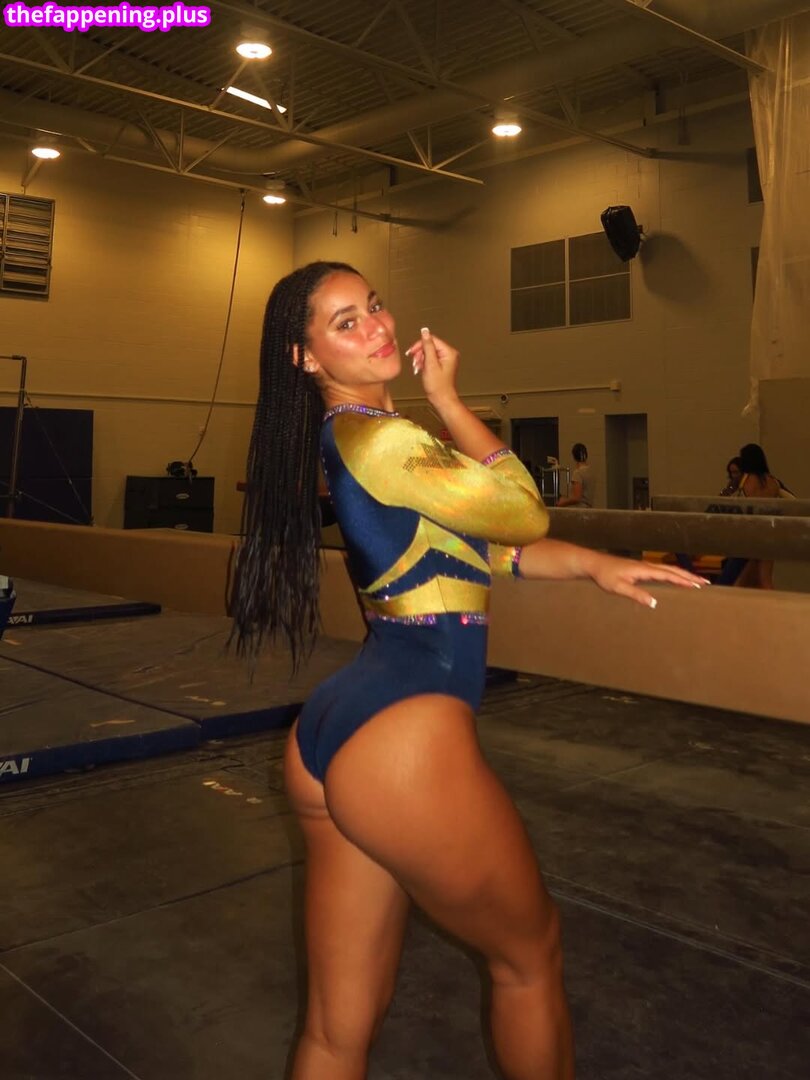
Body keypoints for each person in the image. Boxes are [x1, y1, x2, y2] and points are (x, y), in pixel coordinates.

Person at [229, 262, 706, 1080]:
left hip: (337, 732)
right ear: (304, 357)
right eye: (345, 323)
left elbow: (476, 550)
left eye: (374, 305)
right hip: (403, 735)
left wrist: (592, 564)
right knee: (529, 956)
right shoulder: (385, 440)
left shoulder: (354, 439)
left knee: (337, 1031)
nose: (377, 326)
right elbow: (522, 509)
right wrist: (451, 401)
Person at [732, 443, 782, 589]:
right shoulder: (773, 482)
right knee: (756, 579)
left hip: (753, 532)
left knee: (760, 580)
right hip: (769, 531)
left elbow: (748, 507)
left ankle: (776, 603)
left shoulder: (748, 480)